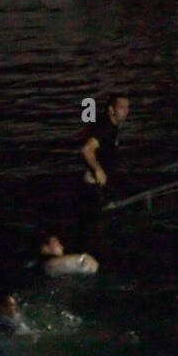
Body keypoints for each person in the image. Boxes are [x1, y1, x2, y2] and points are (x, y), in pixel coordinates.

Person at [77, 93, 130, 250]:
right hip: (95, 185)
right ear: (111, 109)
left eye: (127, 107)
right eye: (121, 107)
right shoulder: (106, 128)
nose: (126, 111)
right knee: (100, 224)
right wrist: (98, 170)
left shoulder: (111, 125)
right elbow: (86, 149)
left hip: (102, 181)